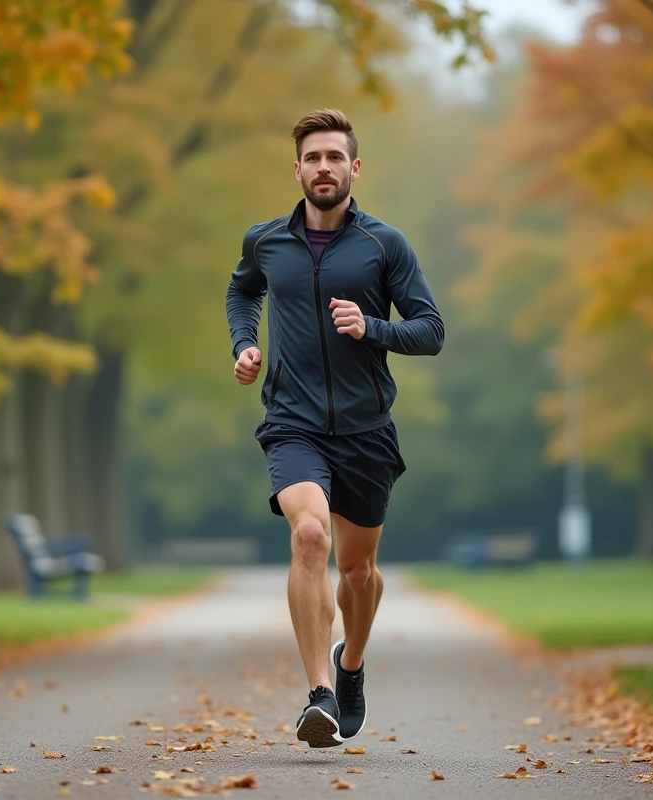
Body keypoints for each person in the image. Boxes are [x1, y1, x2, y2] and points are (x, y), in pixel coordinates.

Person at [224, 108, 445, 749]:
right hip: (292, 422)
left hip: (367, 429)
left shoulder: (384, 245)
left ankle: (351, 668)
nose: (324, 168)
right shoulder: (266, 241)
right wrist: (244, 343)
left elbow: (431, 331)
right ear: (297, 169)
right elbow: (243, 293)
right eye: (312, 158)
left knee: (356, 573)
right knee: (311, 534)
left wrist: (371, 327)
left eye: (334, 157)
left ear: (355, 167)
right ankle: (319, 693)